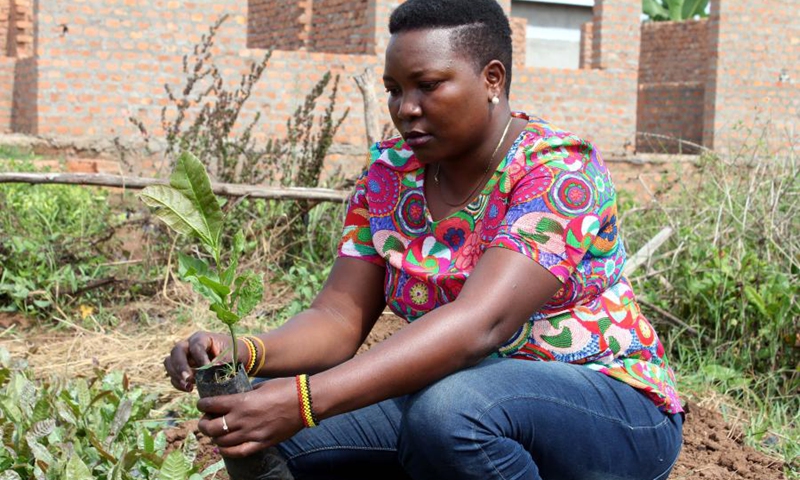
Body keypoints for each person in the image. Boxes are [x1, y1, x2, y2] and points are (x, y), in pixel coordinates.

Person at [164, 1, 684, 478]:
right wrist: (244, 351)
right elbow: (338, 321)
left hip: (606, 407)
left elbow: (481, 325)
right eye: (394, 89)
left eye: (428, 85)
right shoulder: (389, 173)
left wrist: (305, 399)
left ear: (492, 79)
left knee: (450, 415)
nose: (405, 107)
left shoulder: (557, 171)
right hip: (459, 395)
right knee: (269, 432)